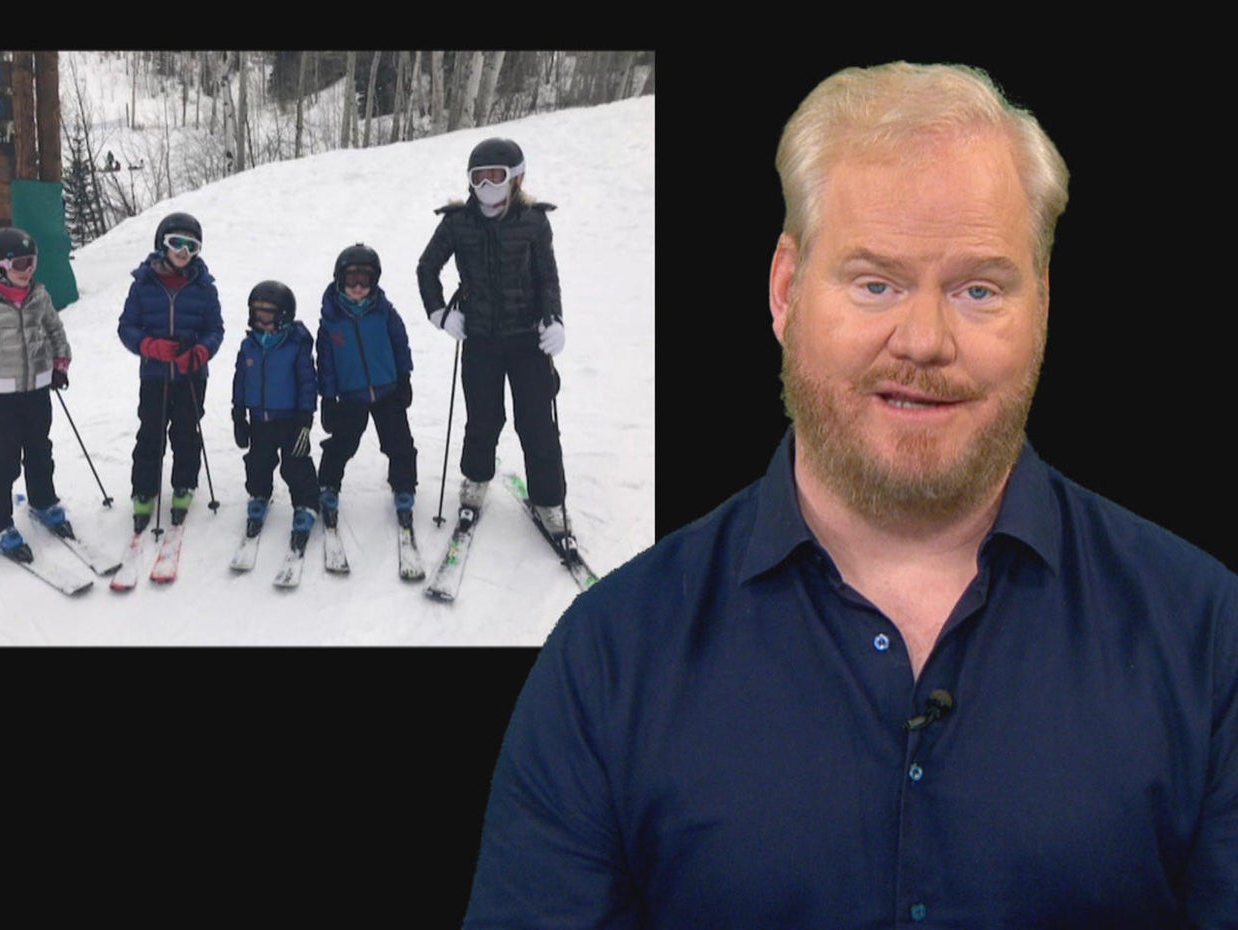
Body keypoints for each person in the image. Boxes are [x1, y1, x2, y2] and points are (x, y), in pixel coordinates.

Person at [462, 62, 1238, 928]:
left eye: (979, 289)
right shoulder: (608, 661)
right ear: (786, 292)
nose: (925, 340)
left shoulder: (1208, 641)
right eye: (876, 283)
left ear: (1044, 305)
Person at [416, 137, 568, 534]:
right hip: (480, 339)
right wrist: (439, 314)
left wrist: (554, 320)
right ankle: (476, 480)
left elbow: (547, 277)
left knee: (536, 422)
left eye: (495, 177)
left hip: (527, 341)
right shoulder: (457, 222)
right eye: (478, 178)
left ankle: (549, 499)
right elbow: (426, 268)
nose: (486, 186)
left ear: (516, 178)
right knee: (483, 418)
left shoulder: (534, 221)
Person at [117, 211, 224, 531]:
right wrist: (150, 346)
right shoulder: (144, 284)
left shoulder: (204, 286)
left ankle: (184, 483)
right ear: (162, 244)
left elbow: (215, 329)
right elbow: (126, 327)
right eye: (176, 243)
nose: (183, 252)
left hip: (191, 375)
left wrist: (202, 351)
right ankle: (144, 490)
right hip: (155, 375)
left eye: (191, 246)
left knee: (186, 431)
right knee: (151, 432)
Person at [315, 243, 417, 531]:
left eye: (365, 280)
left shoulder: (384, 312)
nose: (358, 287)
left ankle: (404, 487)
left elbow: (400, 345)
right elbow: (326, 364)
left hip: (388, 391)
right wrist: (328, 397)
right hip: (351, 396)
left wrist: (404, 377)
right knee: (341, 444)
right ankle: (328, 486)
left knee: (400, 443)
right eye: (352, 280)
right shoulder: (331, 322)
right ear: (339, 279)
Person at [0, 228, 72, 562]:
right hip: (3, 397)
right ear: (1, 265)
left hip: (38, 390)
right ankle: (1, 522)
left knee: (40, 450)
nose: (28, 271)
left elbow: (55, 329)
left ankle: (43, 501)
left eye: (33, 263)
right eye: (21, 264)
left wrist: (60, 363)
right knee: (4, 460)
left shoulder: (39, 295)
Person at [231, 280, 319, 552]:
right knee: (258, 460)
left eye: (269, 313)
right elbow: (240, 380)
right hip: (259, 418)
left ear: (284, 315)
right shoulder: (249, 346)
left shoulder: (296, 345)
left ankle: (305, 503)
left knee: (295, 463)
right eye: (258, 313)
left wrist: (306, 416)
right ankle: (259, 493)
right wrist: (238, 413)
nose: (263, 319)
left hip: (290, 419)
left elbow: (308, 381)